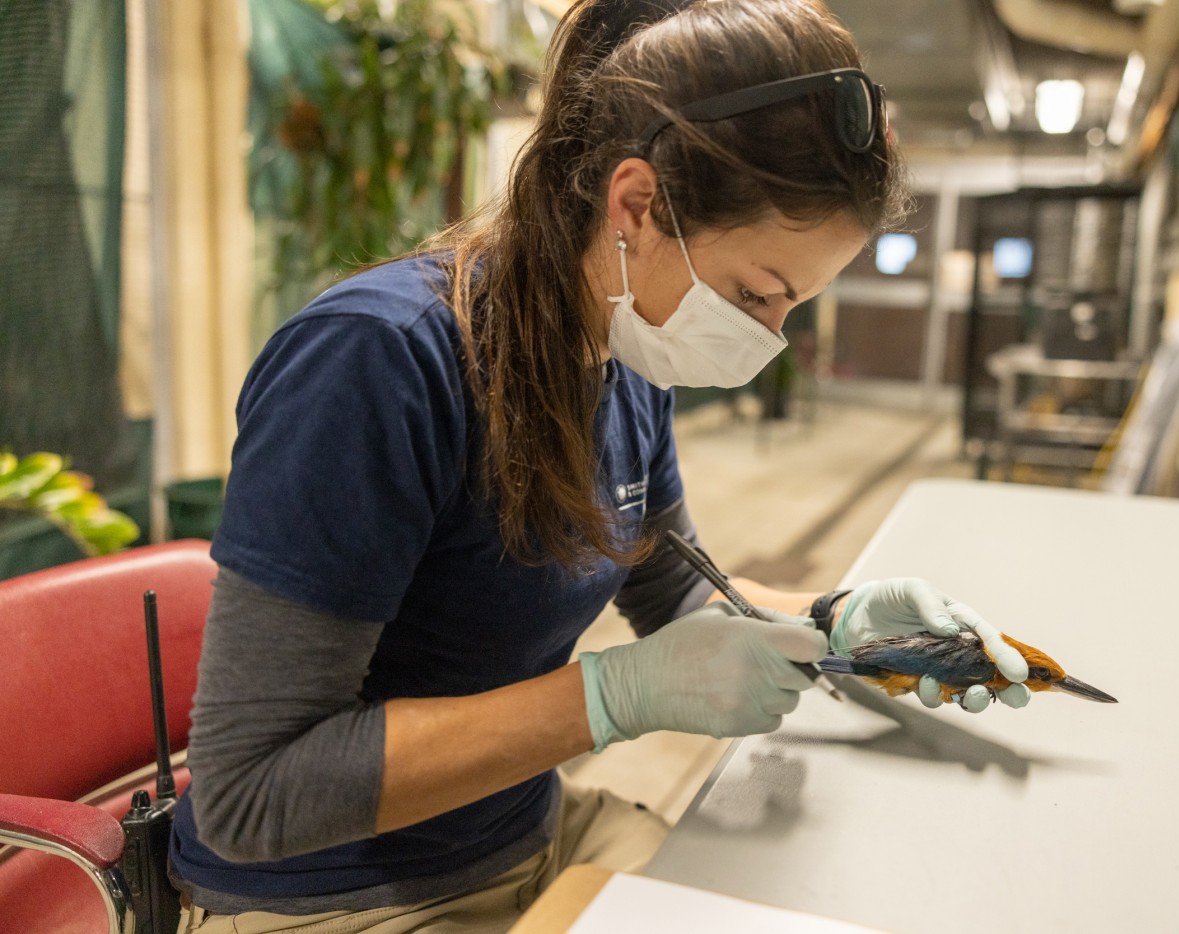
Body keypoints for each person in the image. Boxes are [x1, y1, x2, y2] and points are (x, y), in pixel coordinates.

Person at [170, 1, 1031, 931]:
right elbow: (251, 794)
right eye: (756, 294)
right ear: (636, 204)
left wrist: (847, 626)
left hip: (529, 834)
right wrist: (616, 695)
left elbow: (681, 597)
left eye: (793, 308)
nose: (767, 338)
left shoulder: (624, 355)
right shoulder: (379, 364)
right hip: (341, 897)